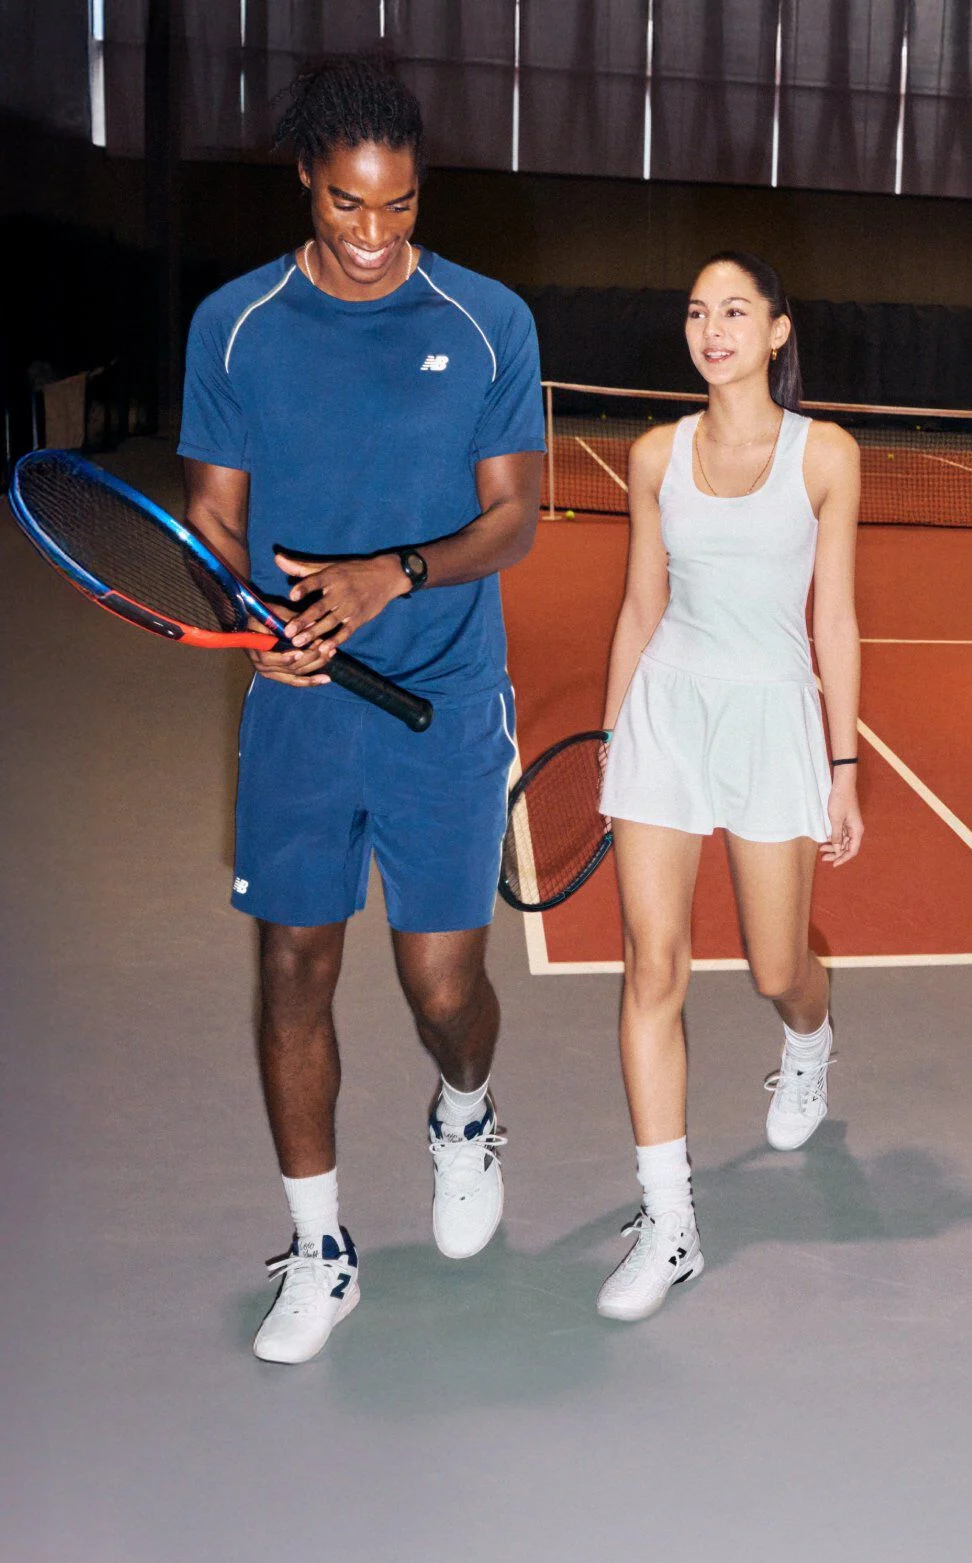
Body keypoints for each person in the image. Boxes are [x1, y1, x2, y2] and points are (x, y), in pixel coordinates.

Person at [178, 54, 545, 1363]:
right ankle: (321, 1244)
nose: (378, 237)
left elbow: (514, 517)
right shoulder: (236, 324)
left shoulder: (490, 317)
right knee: (294, 964)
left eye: (399, 207)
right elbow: (215, 516)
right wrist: (251, 614)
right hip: (301, 707)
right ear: (307, 183)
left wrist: (388, 574)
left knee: (443, 985)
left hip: (445, 697)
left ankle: (466, 1112)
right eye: (348, 206)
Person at [596, 251, 864, 1323]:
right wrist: (616, 736)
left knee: (774, 963)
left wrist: (843, 766)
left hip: (770, 716)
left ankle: (810, 1037)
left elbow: (834, 618)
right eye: (699, 310)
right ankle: (670, 1220)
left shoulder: (827, 455)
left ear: (778, 331)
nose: (713, 328)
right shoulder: (654, 452)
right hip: (667, 709)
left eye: (736, 310)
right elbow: (637, 605)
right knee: (650, 964)